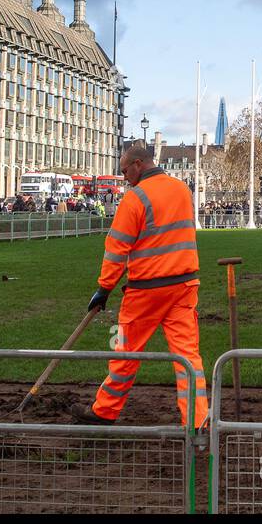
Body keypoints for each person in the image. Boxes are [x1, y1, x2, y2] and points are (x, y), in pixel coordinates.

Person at [75, 145, 207, 428]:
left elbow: (116, 248)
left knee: (123, 351)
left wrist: (104, 289)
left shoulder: (135, 198)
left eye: (124, 171)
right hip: (184, 287)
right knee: (188, 358)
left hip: (145, 291)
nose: (124, 177)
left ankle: (105, 411)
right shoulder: (182, 189)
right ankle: (197, 421)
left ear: (138, 164)